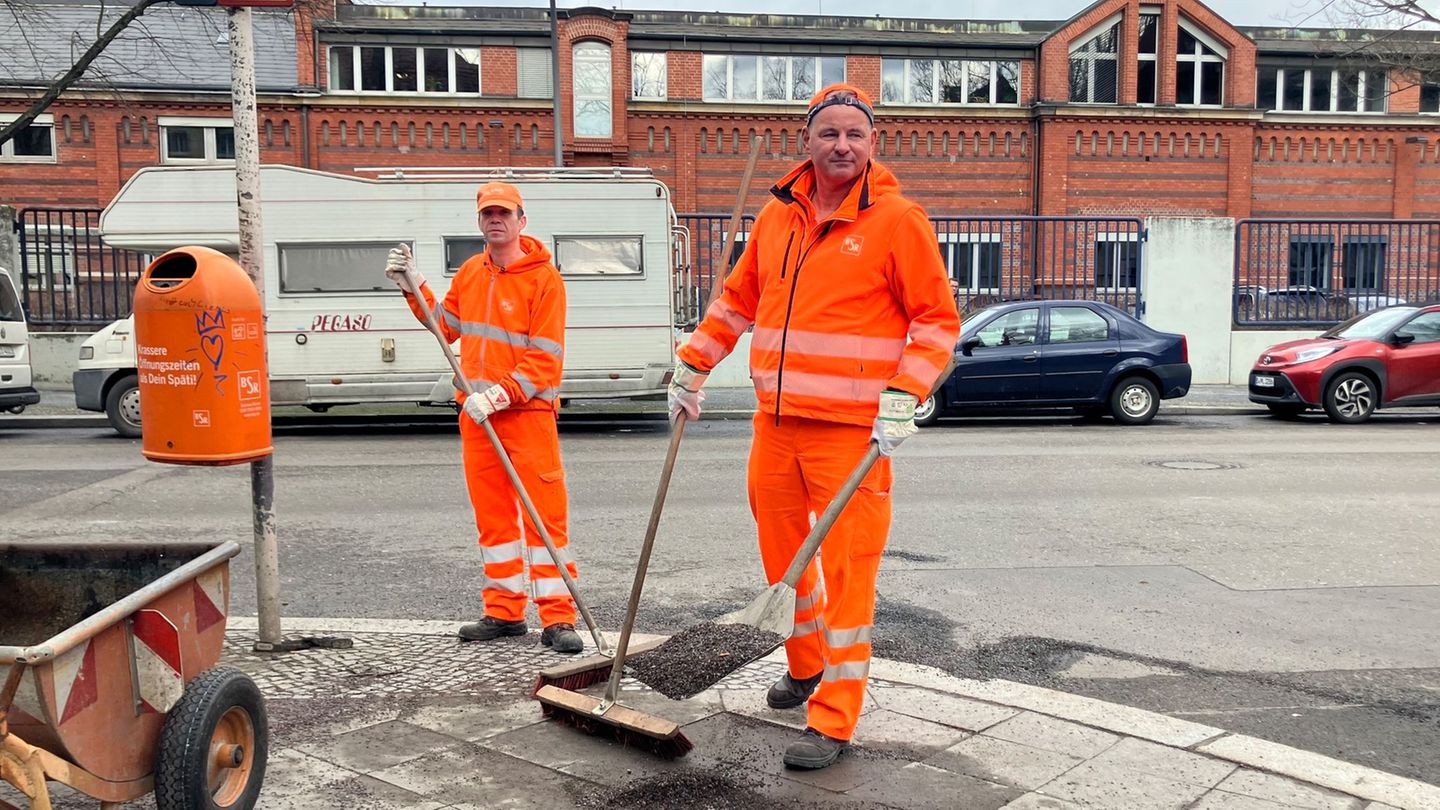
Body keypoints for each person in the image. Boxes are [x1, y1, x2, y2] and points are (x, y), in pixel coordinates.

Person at [670, 84, 961, 769]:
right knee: (785, 561)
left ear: (873, 144)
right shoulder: (779, 216)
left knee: (848, 573)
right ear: (806, 141)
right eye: (829, 132)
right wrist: (692, 366)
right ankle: (805, 665)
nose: (842, 145)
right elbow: (736, 302)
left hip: (851, 434)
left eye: (855, 134)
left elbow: (936, 321)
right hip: (775, 425)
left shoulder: (898, 220)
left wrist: (905, 396)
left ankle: (834, 715)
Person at [385, 181, 583, 655]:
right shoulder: (472, 272)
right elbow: (445, 326)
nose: (496, 220)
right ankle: (505, 612)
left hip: (527, 414)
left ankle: (558, 618)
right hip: (476, 417)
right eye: (488, 214)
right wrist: (414, 286)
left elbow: (546, 358)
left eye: (504, 213)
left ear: (521, 220)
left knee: (544, 519)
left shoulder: (545, 280)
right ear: (479, 221)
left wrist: (498, 395)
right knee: (494, 521)